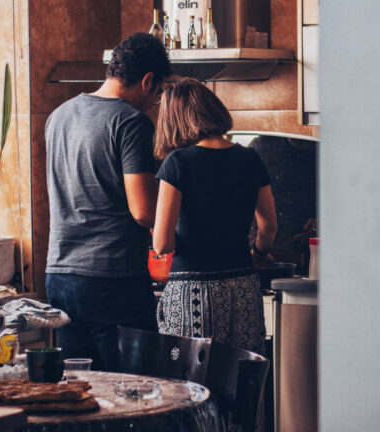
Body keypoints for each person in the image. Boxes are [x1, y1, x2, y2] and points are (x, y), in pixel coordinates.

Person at [44, 33, 171, 371]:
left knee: (83, 392)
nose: (154, 102)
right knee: (138, 394)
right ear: (148, 81)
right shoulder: (131, 122)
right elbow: (144, 212)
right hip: (112, 279)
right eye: (158, 93)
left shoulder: (58, 116)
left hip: (60, 276)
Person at [153, 78, 278, 353]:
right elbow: (268, 226)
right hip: (243, 286)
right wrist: (257, 253)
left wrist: (160, 232)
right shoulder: (250, 158)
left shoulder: (178, 162)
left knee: (190, 387)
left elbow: (162, 244)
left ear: (174, 120)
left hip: (192, 292)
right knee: (242, 380)